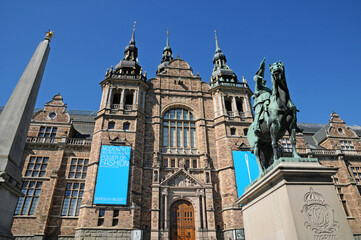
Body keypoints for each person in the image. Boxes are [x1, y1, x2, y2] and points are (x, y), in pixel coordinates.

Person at [252, 58, 272, 135]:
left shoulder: (268, 88)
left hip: (269, 100)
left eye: (264, 80)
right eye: (262, 80)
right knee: (257, 113)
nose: (264, 81)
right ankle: (256, 126)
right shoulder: (258, 86)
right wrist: (262, 68)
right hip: (260, 101)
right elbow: (258, 77)